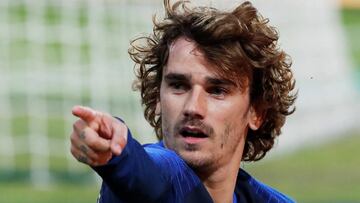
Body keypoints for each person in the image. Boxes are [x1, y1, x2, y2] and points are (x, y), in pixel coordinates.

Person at [70, 0, 297, 202]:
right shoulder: (158, 174)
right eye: (178, 85)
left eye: (217, 90)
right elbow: (148, 175)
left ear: (256, 112)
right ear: (157, 96)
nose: (192, 108)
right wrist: (117, 151)